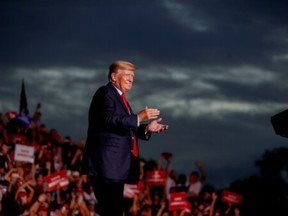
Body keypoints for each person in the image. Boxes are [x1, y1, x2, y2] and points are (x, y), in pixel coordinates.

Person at [81, 60, 169, 216]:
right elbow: (108, 119)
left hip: (115, 168)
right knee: (112, 211)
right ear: (114, 77)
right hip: (107, 165)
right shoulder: (105, 93)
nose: (131, 79)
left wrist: (146, 128)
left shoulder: (121, 99)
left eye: (133, 76)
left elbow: (124, 127)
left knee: (114, 212)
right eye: (127, 75)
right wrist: (138, 117)